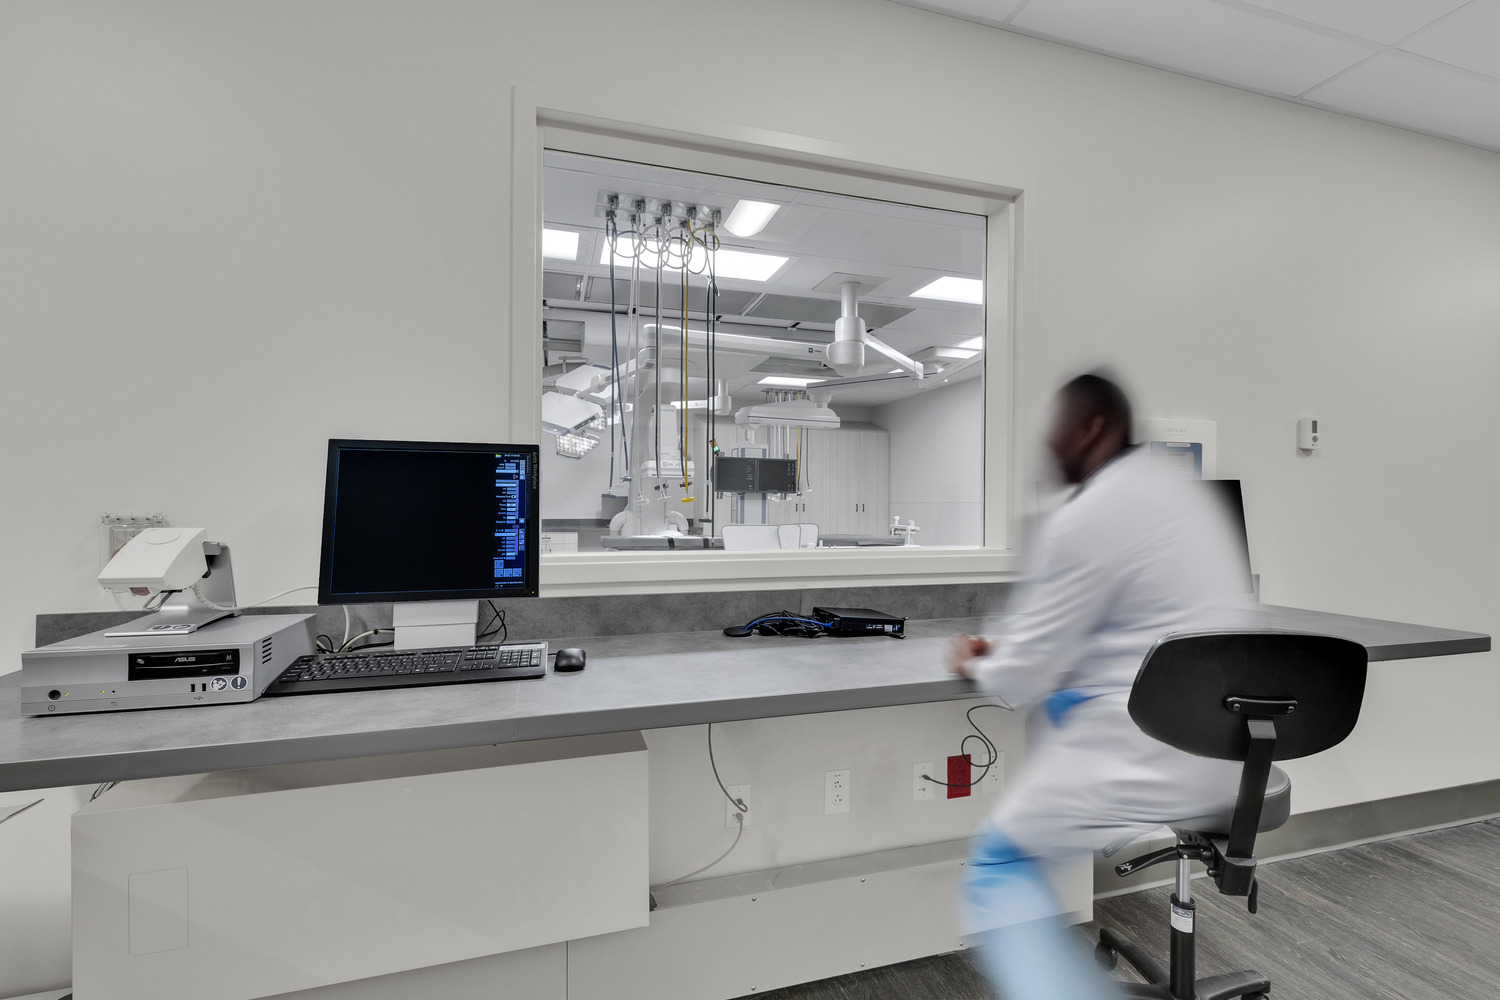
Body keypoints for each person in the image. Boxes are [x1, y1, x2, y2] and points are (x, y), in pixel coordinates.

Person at [948, 372, 1256, 1000]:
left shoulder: (1089, 514)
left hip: (1150, 753)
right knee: (1061, 712)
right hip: (1230, 752)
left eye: (1056, 429)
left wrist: (976, 661)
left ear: (1091, 427)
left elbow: (1019, 676)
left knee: (998, 866)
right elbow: (1114, 630)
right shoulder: (1184, 497)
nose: (1047, 446)